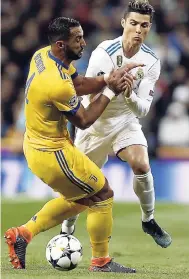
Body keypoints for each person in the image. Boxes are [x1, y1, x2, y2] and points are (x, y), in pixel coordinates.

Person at [4, 16, 142, 273]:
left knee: (81, 199)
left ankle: (22, 234)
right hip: (51, 152)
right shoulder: (54, 84)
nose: (83, 42)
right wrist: (111, 91)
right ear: (60, 44)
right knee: (103, 195)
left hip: (40, 144)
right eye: (77, 39)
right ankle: (101, 261)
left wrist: (105, 80)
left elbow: (77, 84)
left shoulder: (43, 56)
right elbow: (84, 120)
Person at [61, 0, 172, 249]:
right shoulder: (104, 53)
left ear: (150, 27)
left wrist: (129, 93)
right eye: (133, 23)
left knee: (141, 164)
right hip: (96, 122)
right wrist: (112, 88)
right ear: (123, 23)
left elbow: (143, 109)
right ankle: (66, 231)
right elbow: (86, 94)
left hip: (125, 120)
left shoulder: (151, 61)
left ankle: (148, 219)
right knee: (78, 184)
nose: (138, 30)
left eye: (144, 25)